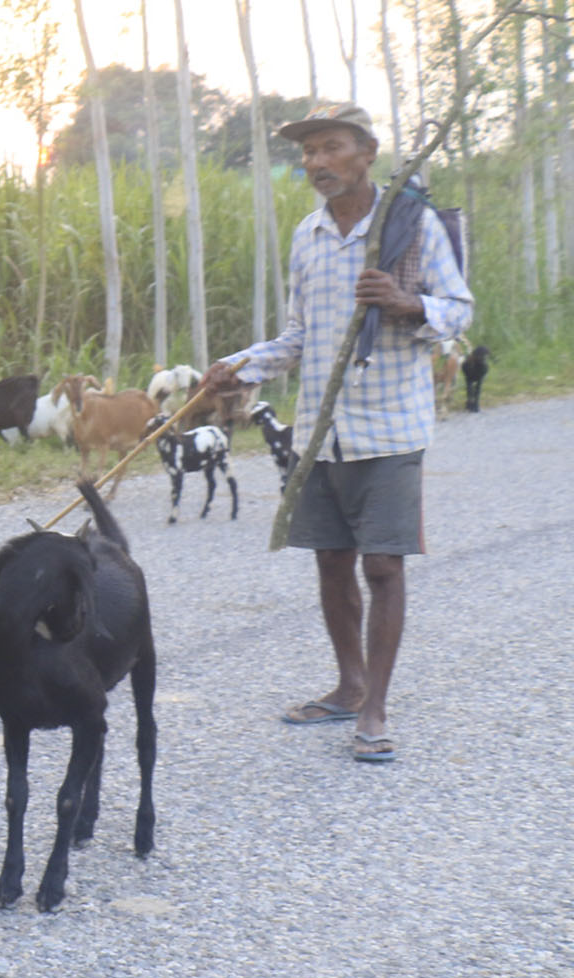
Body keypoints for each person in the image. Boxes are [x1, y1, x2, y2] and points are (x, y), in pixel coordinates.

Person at [197, 103, 471, 764]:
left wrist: (407, 304)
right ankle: (349, 686)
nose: (316, 162)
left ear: (367, 151)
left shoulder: (411, 227)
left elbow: (457, 311)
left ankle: (375, 708)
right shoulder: (307, 236)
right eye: (308, 152)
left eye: (330, 148)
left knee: (382, 564)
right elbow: (298, 336)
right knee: (330, 560)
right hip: (322, 431)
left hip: (391, 428)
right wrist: (239, 367)